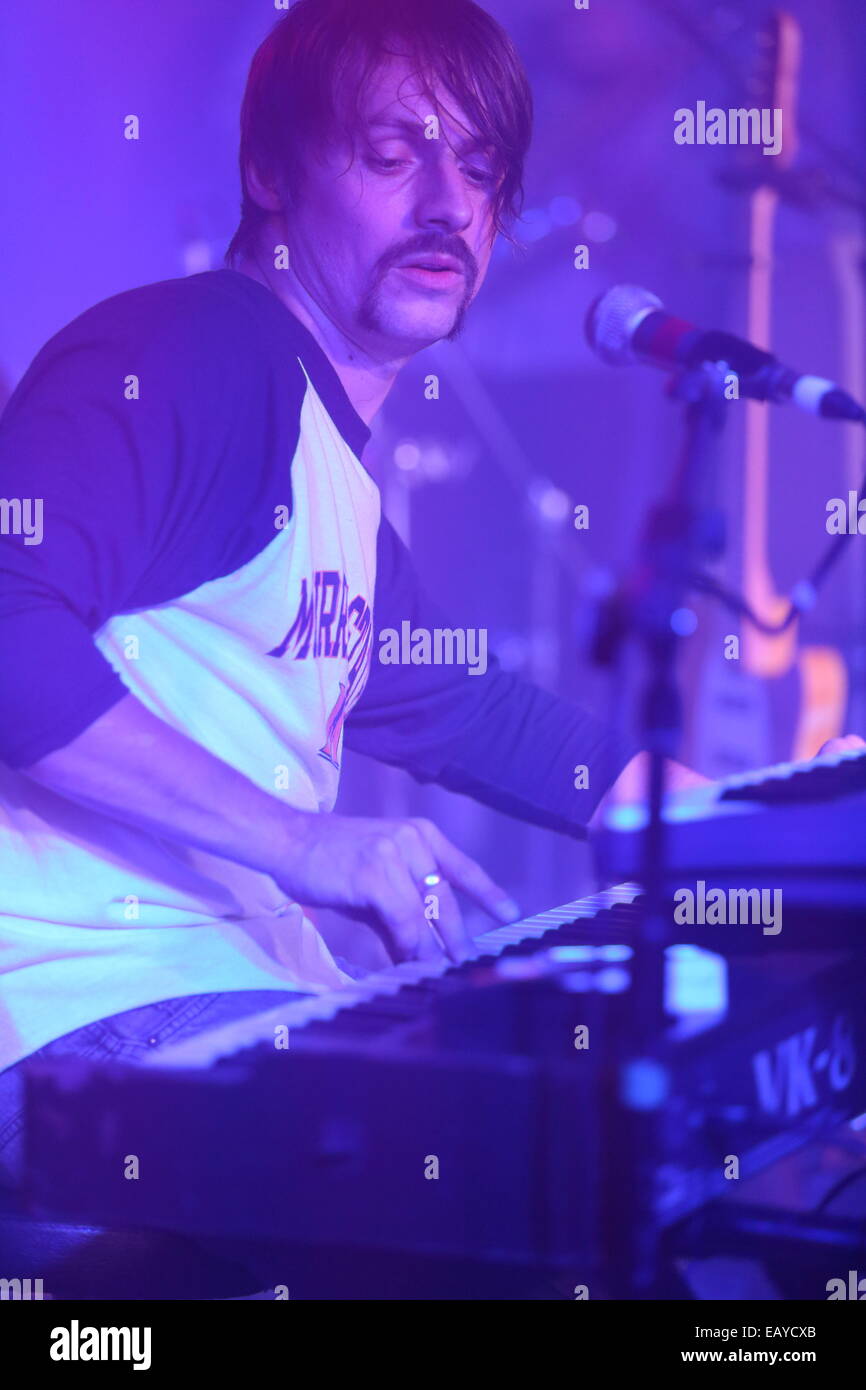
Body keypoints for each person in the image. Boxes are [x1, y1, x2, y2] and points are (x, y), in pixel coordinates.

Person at [0, 0, 857, 1229]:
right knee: (513, 1195)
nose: (446, 204)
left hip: (219, 999)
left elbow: (479, 716)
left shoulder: (324, 474)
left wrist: (760, 831)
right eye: (392, 154)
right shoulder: (196, 352)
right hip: (80, 1012)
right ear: (270, 170)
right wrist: (306, 844)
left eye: (476, 168)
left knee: (604, 1183)